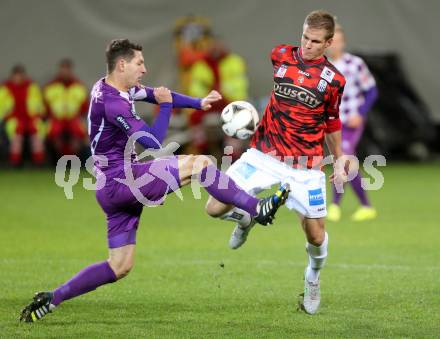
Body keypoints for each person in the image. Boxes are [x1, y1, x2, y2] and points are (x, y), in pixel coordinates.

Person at [19, 39, 290, 323]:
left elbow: (152, 94)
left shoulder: (108, 86)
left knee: (120, 265)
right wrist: (167, 106)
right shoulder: (113, 103)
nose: (145, 69)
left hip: (110, 188)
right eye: (139, 63)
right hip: (123, 181)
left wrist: (197, 103)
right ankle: (255, 208)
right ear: (122, 64)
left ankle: (52, 299)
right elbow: (152, 143)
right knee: (200, 164)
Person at [204, 10, 346, 315]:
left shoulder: (334, 80)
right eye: (305, 37)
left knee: (315, 234)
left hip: (305, 166)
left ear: (328, 43)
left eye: (316, 41)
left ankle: (312, 278)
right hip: (264, 154)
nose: (307, 45)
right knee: (214, 207)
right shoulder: (280, 55)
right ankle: (245, 218)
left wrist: (340, 159)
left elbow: (332, 121)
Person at [326, 24, 378, 222]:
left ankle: (335, 205)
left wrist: (361, 113)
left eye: (339, 40)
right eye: (332, 41)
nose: (335, 45)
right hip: (331, 123)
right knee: (347, 162)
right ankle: (366, 206)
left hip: (351, 121)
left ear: (344, 42)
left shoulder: (355, 63)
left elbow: (372, 90)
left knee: (344, 158)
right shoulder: (323, 66)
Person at [0, 65, 45, 166]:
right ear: (12, 76)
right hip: (12, 119)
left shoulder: (32, 87)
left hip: (31, 118)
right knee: (17, 135)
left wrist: (39, 114)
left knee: (36, 133)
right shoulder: (5, 89)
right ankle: (15, 162)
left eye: (20, 75)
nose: (18, 78)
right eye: (16, 75)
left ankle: (39, 161)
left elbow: (39, 105)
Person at [44, 59, 89, 160]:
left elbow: (84, 107)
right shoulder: (51, 87)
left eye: (67, 69)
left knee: (79, 135)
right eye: (62, 69)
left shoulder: (79, 86)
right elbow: (45, 107)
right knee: (54, 135)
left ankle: (74, 159)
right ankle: (58, 159)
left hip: (74, 119)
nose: (64, 72)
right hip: (56, 119)